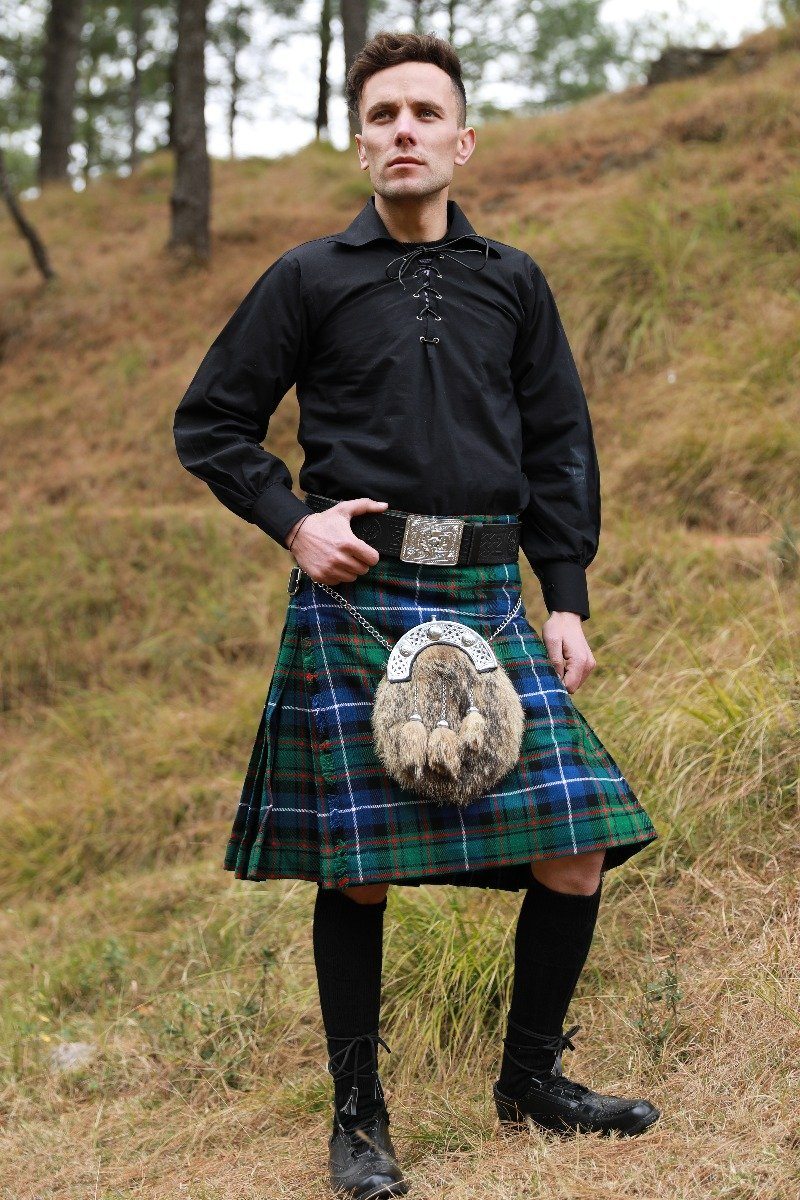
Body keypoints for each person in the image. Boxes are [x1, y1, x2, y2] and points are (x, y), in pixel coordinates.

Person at [172, 29, 661, 1200]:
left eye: (421, 114)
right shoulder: (305, 277)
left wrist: (568, 598)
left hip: (488, 593)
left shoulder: (512, 278)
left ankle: (530, 1081)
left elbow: (558, 447)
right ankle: (359, 1118)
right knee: (358, 871)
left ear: (460, 140)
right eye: (381, 115)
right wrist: (294, 522)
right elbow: (210, 423)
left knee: (578, 842)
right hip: (359, 594)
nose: (401, 131)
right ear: (359, 146)